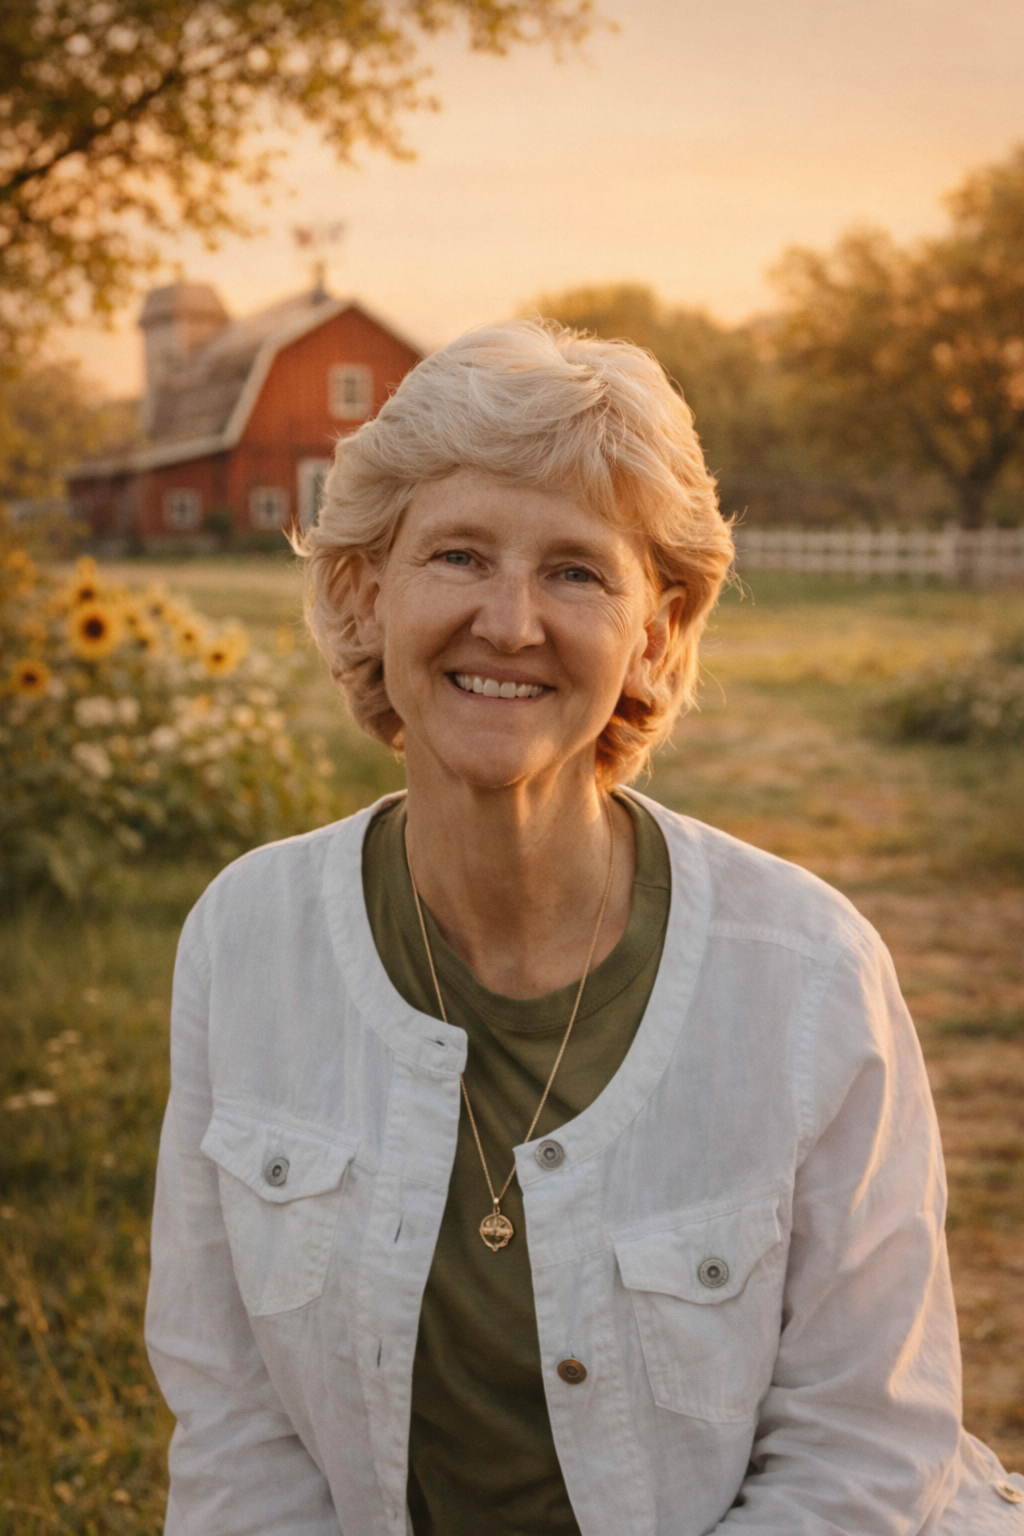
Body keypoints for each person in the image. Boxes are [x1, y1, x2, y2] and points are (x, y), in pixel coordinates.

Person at [145, 321, 1023, 1535]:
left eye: (575, 571)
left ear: (653, 633)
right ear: (365, 590)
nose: (508, 623)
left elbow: (865, 1443)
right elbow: (233, 1418)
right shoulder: (245, 941)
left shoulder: (807, 976)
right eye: (457, 554)